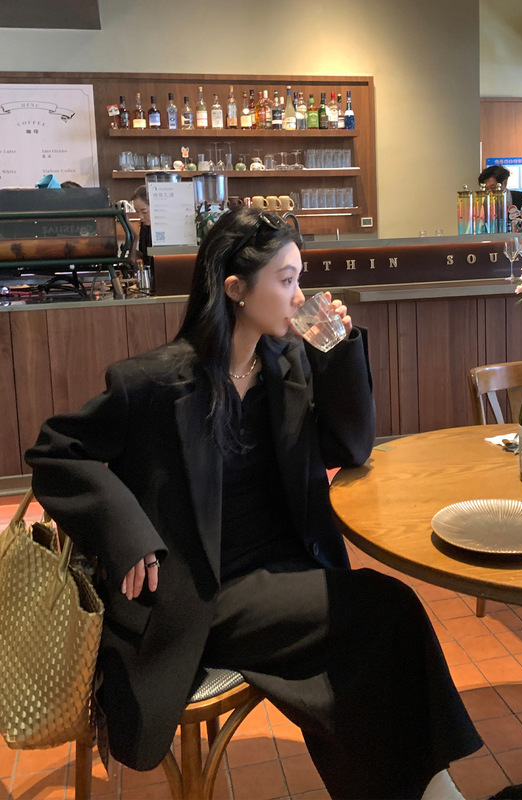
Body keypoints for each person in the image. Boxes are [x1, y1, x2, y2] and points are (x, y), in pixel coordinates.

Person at [25, 208, 482, 800]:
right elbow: (55, 451)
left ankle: (424, 789)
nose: (300, 296)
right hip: (203, 590)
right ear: (236, 289)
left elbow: (350, 447)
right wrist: (128, 534)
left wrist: (339, 351)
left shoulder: (285, 365)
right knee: (385, 611)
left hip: (283, 569)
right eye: (287, 280)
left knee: (363, 657)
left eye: (300, 278)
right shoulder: (154, 382)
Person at [130, 184, 151, 266]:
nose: (140, 217)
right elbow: (144, 256)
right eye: (137, 212)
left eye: (144, 211)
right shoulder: (144, 227)